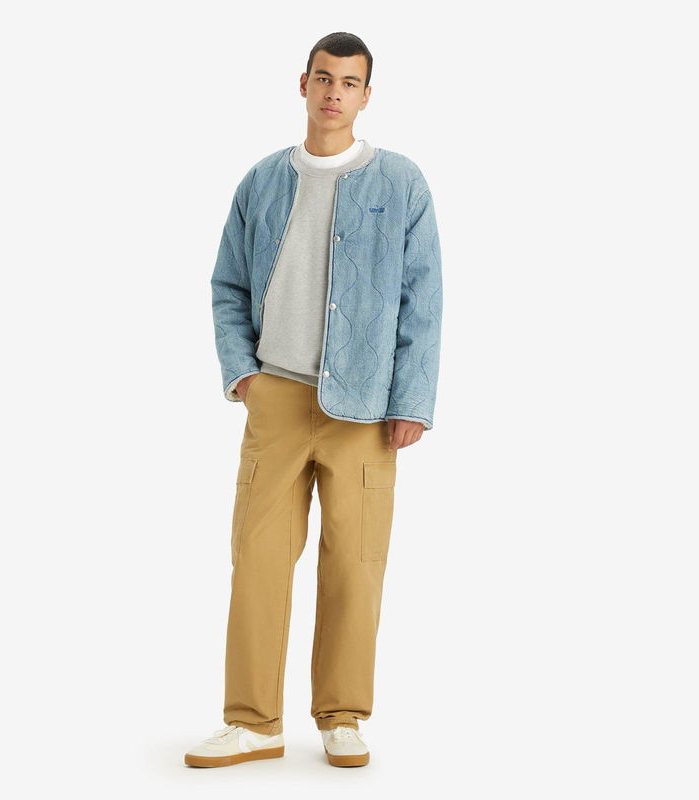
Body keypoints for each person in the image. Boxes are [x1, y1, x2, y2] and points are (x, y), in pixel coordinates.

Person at [184, 31, 443, 769]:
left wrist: (412, 400)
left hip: (365, 411)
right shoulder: (262, 180)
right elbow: (227, 284)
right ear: (303, 85)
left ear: (367, 95)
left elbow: (423, 299)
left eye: (349, 82)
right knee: (257, 561)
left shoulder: (402, 183)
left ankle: (342, 716)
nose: (334, 93)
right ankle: (253, 722)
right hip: (276, 398)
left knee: (355, 567)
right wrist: (243, 373)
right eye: (324, 78)